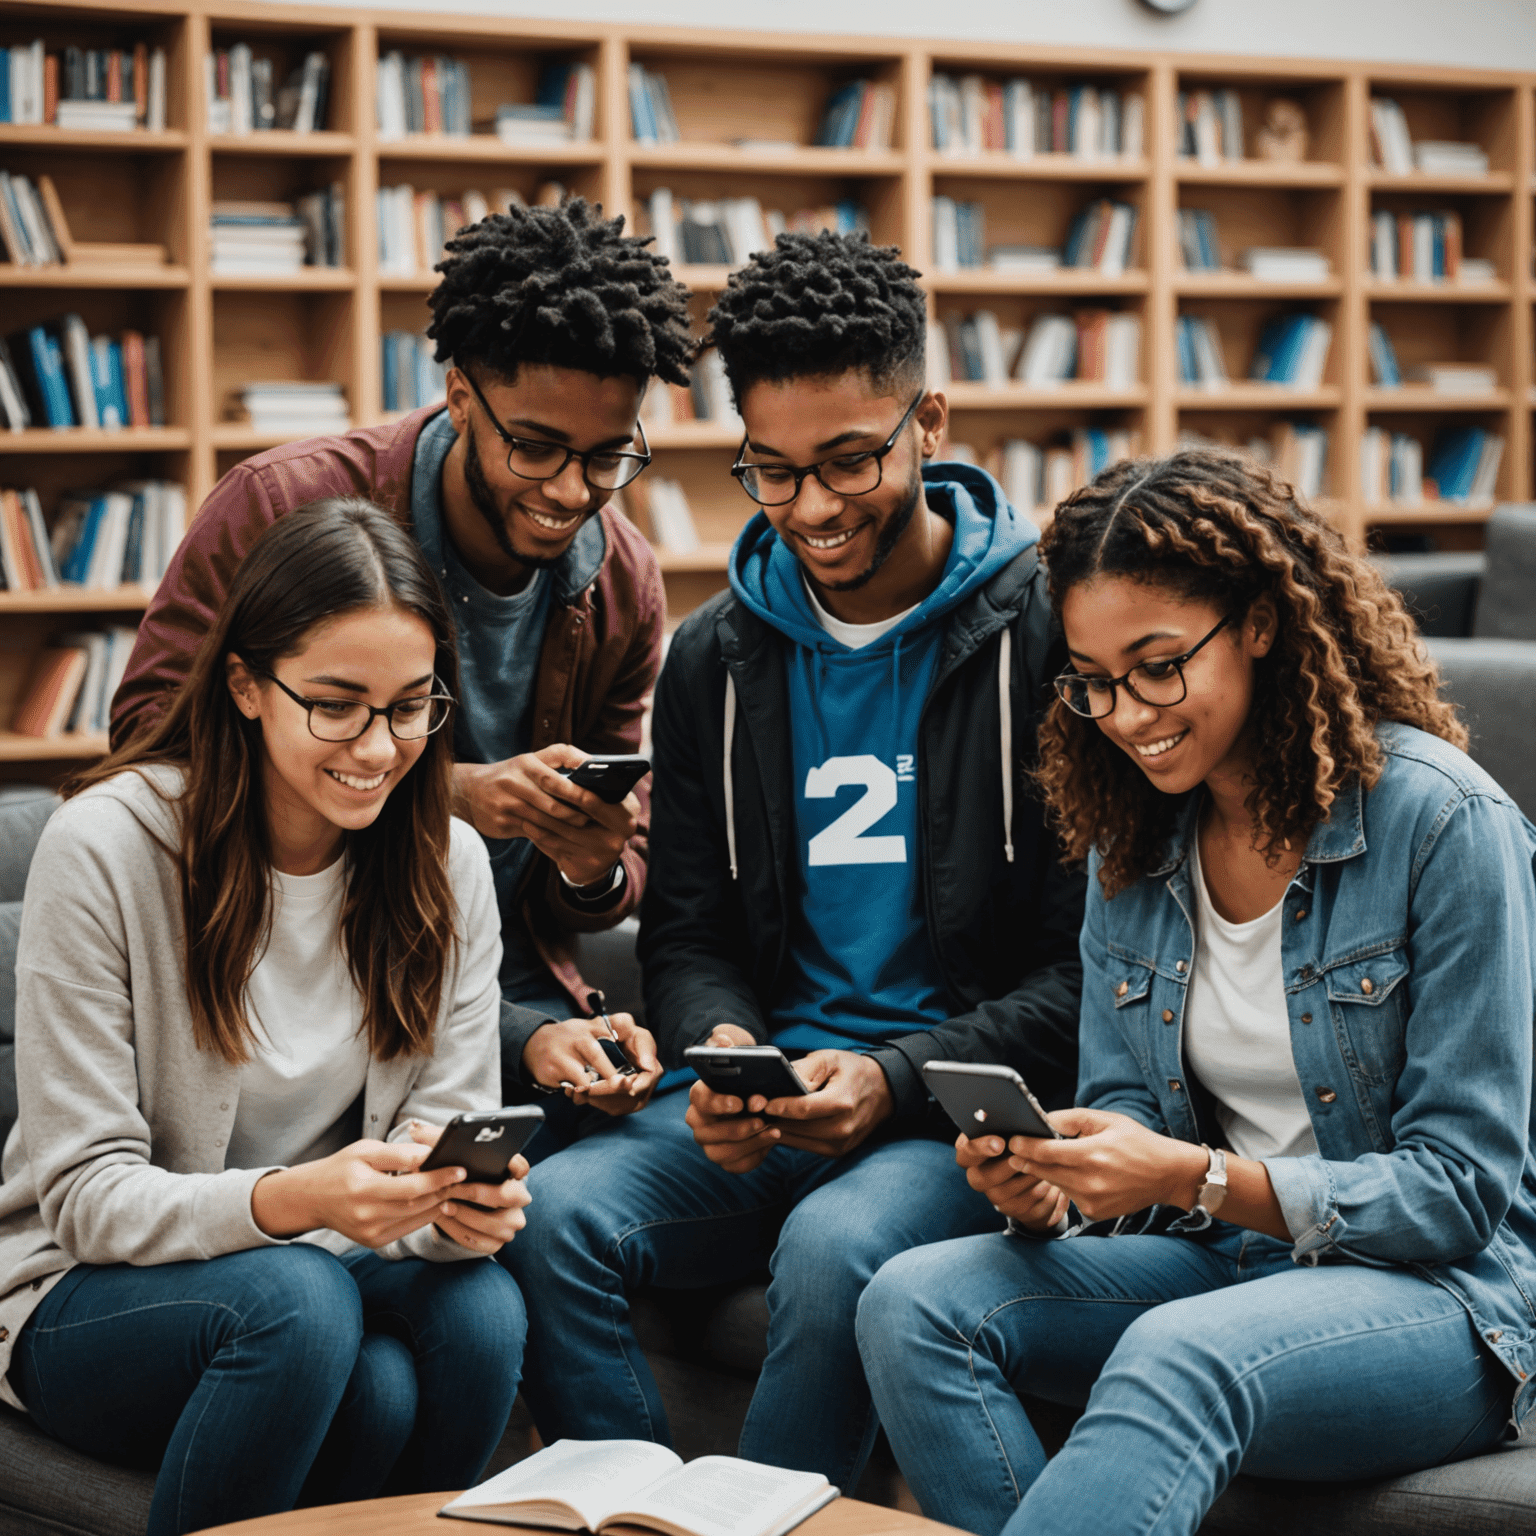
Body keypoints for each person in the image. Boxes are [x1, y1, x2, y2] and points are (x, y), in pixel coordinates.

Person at [856, 448, 1536, 1536]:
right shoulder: (1133, 838)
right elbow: (1129, 1102)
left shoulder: (1446, 826)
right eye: (1092, 678)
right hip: (1222, 1261)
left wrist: (1199, 1176)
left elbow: (1457, 1193)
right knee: (912, 1304)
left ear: (1261, 623)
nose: (1125, 714)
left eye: (1159, 665)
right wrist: (1065, 1183)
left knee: (1176, 1354)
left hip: (1442, 1302)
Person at [504, 231, 1086, 1491]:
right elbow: (691, 933)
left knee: (834, 1249)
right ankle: (648, 1514)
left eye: (850, 462)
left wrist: (887, 1080)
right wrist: (719, 1052)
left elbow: (1091, 967)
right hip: (770, 1101)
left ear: (930, 419)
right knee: (545, 1218)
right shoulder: (717, 659)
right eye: (771, 473)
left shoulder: (1049, 635)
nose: (814, 510)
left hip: (952, 1116)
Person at [0, 499, 531, 1536]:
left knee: (479, 1314)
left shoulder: (447, 863)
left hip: (319, 1279)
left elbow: (443, 1129)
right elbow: (84, 1196)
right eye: (337, 705)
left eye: (412, 706)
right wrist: (303, 1201)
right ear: (245, 683)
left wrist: (454, 1208)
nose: (379, 748)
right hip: (87, 1292)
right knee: (300, 1306)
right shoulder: (107, 846)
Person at [110, 198, 694, 1129]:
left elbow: (605, 888)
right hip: (284, 977)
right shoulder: (283, 508)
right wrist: (450, 791)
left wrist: (589, 864)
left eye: (608, 455)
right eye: (535, 447)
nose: (571, 491)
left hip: (495, 992)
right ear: (461, 395)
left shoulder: (622, 579)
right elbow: (150, 749)